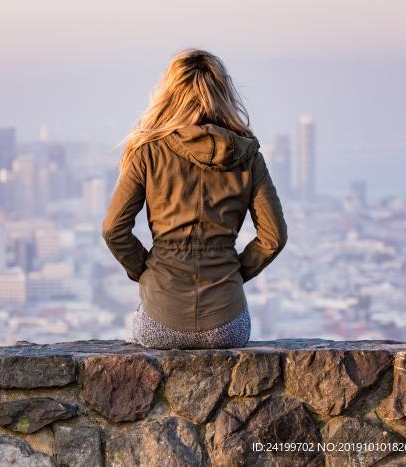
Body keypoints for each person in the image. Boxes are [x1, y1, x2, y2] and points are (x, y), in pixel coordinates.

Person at [102, 48, 287, 349]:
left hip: (160, 320)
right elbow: (274, 237)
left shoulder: (147, 152)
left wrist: (147, 271)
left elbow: (113, 229)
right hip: (228, 325)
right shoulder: (248, 155)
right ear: (223, 93)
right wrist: (234, 273)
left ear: (169, 94)